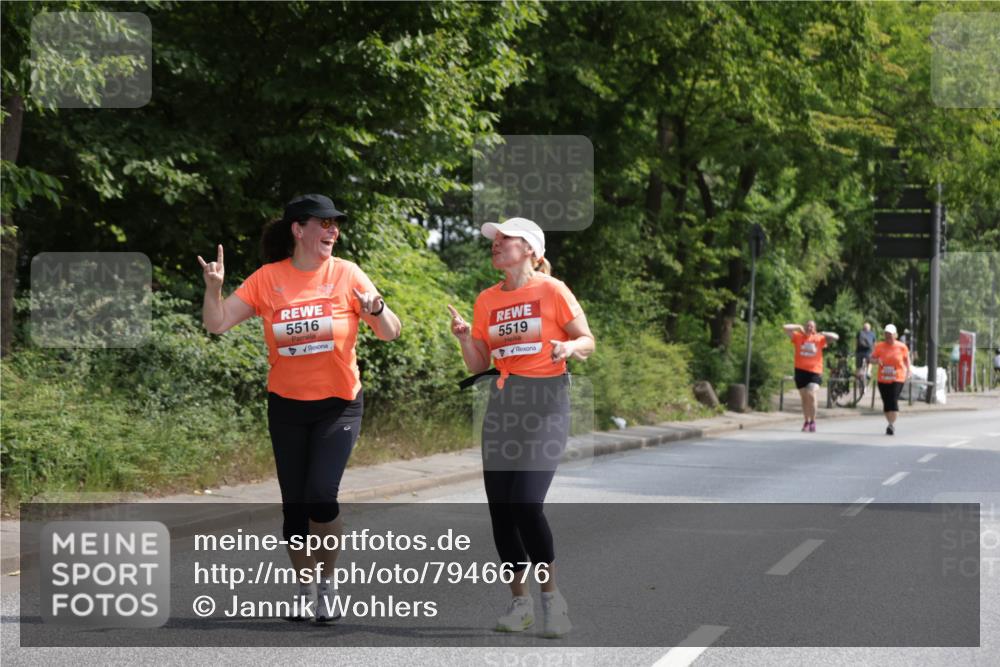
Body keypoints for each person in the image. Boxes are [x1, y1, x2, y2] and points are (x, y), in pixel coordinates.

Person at [197, 194, 401, 624]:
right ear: (298, 229)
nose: (332, 231)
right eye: (323, 223)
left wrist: (377, 309)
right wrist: (213, 289)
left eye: (335, 225)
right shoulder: (267, 279)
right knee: (294, 506)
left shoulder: (347, 273)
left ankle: (327, 585)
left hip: (339, 405)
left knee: (321, 496)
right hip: (287, 406)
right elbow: (216, 324)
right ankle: (305, 588)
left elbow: (391, 332)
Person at [447, 217, 595, 638]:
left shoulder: (552, 289)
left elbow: (587, 338)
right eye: (494, 241)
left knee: (526, 503)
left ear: (530, 249)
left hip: (547, 404)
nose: (496, 245)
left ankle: (552, 598)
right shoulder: (486, 300)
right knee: (501, 512)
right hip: (503, 405)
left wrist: (568, 346)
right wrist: (464, 339)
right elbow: (479, 364)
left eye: (505, 239)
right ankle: (520, 602)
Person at [783, 320, 839, 432]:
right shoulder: (798, 337)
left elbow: (835, 337)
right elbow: (785, 327)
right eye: (807, 326)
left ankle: (813, 421)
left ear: (815, 329)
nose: (809, 328)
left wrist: (823, 333)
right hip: (800, 371)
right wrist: (798, 326)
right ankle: (806, 421)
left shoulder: (819, 339)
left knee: (811, 394)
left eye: (812, 327)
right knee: (804, 398)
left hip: (815, 372)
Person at [871, 324, 911, 435]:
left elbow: (907, 359)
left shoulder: (902, 347)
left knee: (893, 400)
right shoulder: (879, 346)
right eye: (886, 334)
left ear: (895, 335)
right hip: (883, 378)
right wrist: (876, 361)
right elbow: (872, 358)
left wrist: (909, 371)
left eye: (890, 334)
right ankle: (890, 422)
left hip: (897, 377)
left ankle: (891, 424)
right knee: (886, 403)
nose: (888, 336)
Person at [855, 322, 876, 390]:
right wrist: (874, 352)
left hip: (859, 352)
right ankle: (868, 372)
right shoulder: (872, 334)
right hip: (868, 352)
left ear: (863, 327)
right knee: (870, 362)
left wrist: (856, 351)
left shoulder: (860, 333)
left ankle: (858, 380)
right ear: (869, 328)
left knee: (858, 367)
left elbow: (856, 342)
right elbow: (874, 344)